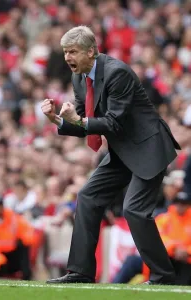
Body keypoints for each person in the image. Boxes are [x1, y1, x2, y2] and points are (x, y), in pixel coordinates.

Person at [41, 26, 181, 285]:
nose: (68, 58)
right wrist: (58, 120)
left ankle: (163, 277)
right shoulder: (79, 77)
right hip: (123, 149)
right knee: (87, 197)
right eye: (64, 52)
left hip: (148, 147)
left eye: (73, 51)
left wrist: (79, 121)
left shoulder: (117, 73)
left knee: (135, 210)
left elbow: (112, 123)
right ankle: (80, 272)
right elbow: (83, 122)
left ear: (91, 51)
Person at [113, 191, 191, 285]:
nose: (180, 206)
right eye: (177, 202)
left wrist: (187, 251)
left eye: (183, 203)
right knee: (132, 261)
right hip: (165, 258)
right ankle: (114, 286)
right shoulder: (164, 218)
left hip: (186, 260)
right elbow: (157, 238)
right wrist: (174, 248)